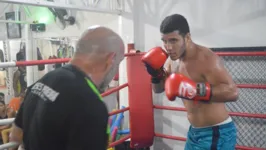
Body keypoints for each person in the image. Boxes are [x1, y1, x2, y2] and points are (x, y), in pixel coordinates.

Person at [9, 26, 125, 150]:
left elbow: (15, 136)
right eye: (118, 63)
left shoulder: (42, 82)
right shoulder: (90, 104)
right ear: (111, 59)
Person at [142, 14, 238, 150]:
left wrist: (195, 90)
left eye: (173, 40)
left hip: (216, 133)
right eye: (165, 41)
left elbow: (232, 92)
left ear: (187, 37)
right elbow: (158, 89)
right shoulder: (172, 61)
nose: (168, 47)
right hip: (194, 132)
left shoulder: (206, 58)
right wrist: (155, 74)